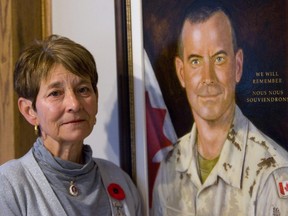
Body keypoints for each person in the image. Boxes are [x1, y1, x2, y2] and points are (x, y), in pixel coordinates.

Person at [152, 2, 288, 215]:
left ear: (238, 66)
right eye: (195, 61)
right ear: (181, 72)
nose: (208, 78)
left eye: (219, 58)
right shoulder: (170, 166)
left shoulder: (273, 173)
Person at [0, 35, 142, 216]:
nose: (74, 104)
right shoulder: (8, 186)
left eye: (83, 89)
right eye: (55, 93)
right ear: (29, 111)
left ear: (96, 97)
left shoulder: (119, 180)